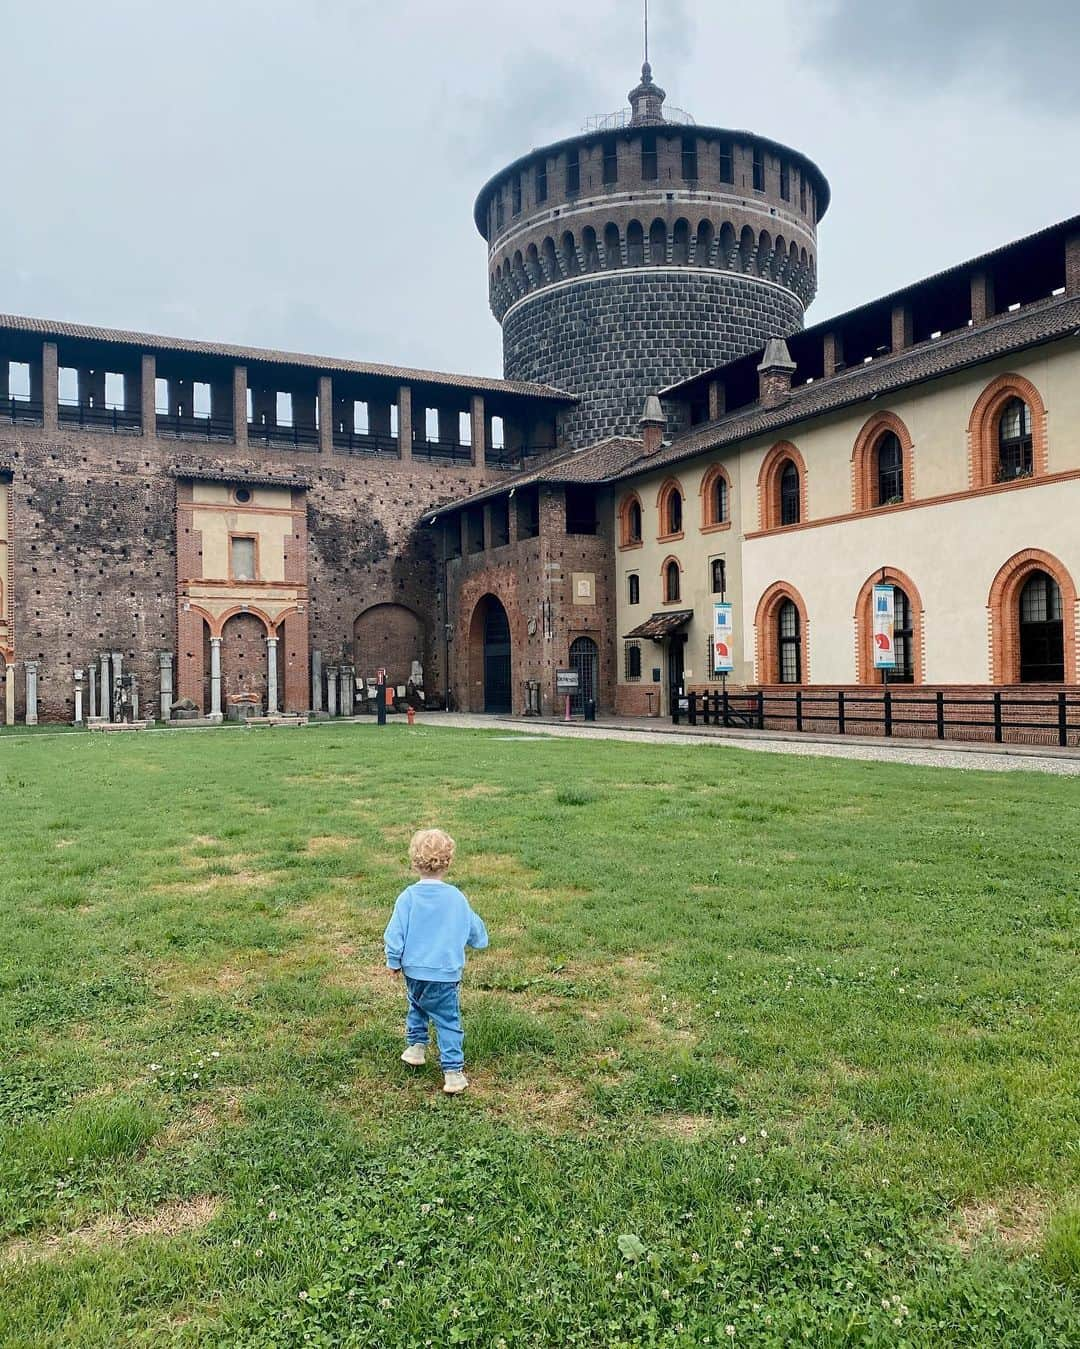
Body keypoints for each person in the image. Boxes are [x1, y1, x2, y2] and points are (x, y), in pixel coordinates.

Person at [384, 828, 488, 1095]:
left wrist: (394, 960)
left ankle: (416, 1048)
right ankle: (453, 1073)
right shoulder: (456, 898)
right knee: (447, 1019)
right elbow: (473, 926)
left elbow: (394, 932)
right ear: (448, 861)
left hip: (414, 973)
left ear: (414, 861)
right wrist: (480, 941)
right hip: (444, 974)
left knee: (417, 1005)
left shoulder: (408, 897)